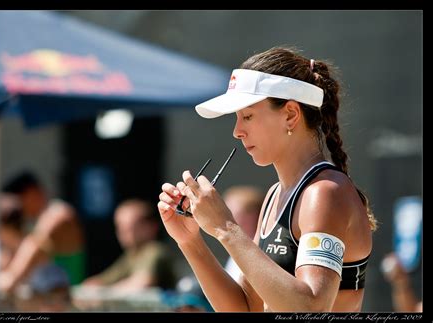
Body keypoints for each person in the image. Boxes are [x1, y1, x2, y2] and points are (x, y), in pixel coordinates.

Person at [157, 46, 377, 312]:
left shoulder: (324, 192)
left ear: (291, 115)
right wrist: (190, 242)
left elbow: (311, 309)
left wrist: (226, 228)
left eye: (247, 116)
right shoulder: (276, 194)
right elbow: (247, 309)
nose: (237, 131)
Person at [0, 171, 85, 294]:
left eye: (18, 201)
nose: (17, 208)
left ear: (31, 193)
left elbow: (36, 244)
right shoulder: (37, 224)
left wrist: (11, 277)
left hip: (68, 304)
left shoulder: (58, 212)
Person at [81, 198, 176, 292]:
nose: (123, 232)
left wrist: (102, 294)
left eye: (131, 226)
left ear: (152, 226)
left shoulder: (154, 250)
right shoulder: (131, 255)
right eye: (119, 226)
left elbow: (142, 284)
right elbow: (100, 281)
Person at [222, 186, 264, 281]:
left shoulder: (261, 249)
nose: (224, 217)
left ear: (252, 216)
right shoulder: (236, 246)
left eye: (232, 212)